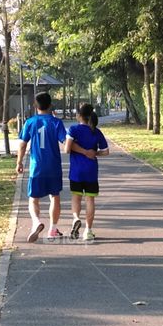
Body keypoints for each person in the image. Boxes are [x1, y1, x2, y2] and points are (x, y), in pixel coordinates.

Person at [15, 92, 97, 243]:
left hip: (36, 167)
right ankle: (52, 229)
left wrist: (19, 162)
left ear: (35, 105)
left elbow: (22, 144)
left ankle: (36, 222)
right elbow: (66, 143)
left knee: (33, 199)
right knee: (55, 197)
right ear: (50, 105)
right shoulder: (56, 123)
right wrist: (85, 150)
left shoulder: (30, 122)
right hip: (53, 166)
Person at [66, 103, 109, 242]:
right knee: (90, 199)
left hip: (76, 171)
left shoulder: (73, 129)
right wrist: (93, 153)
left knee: (76, 197)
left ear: (79, 115)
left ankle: (76, 218)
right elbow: (106, 151)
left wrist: (81, 151)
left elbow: (67, 149)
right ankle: (88, 231)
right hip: (91, 170)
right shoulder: (96, 131)